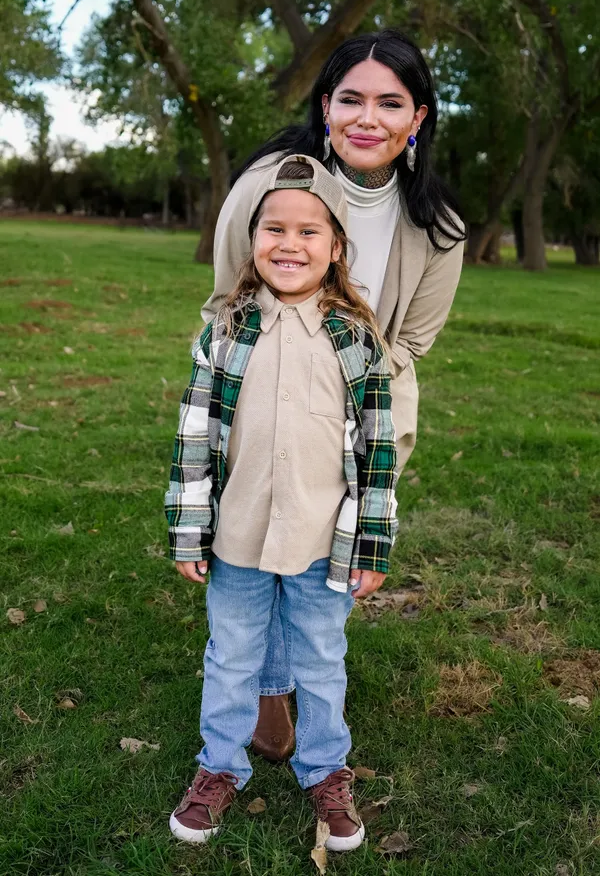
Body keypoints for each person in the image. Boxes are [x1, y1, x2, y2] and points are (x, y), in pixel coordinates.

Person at [202, 29, 467, 761]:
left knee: (322, 550)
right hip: (264, 391)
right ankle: (268, 692)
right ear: (326, 106)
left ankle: (295, 681)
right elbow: (228, 293)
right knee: (259, 536)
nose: (367, 118)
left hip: (365, 404)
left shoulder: (438, 227)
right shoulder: (266, 184)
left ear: (417, 119)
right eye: (351, 98)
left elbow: (412, 340)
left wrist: (352, 393)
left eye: (391, 103)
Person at [165, 155, 398, 850]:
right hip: (237, 539)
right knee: (232, 655)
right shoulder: (225, 333)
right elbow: (194, 441)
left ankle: (326, 771)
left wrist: (373, 543)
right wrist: (187, 530)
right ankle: (219, 768)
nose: (289, 244)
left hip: (322, 544)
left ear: (335, 249)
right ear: (252, 239)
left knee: (321, 658)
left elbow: (377, 453)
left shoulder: (355, 341)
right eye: (274, 228)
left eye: (308, 232)